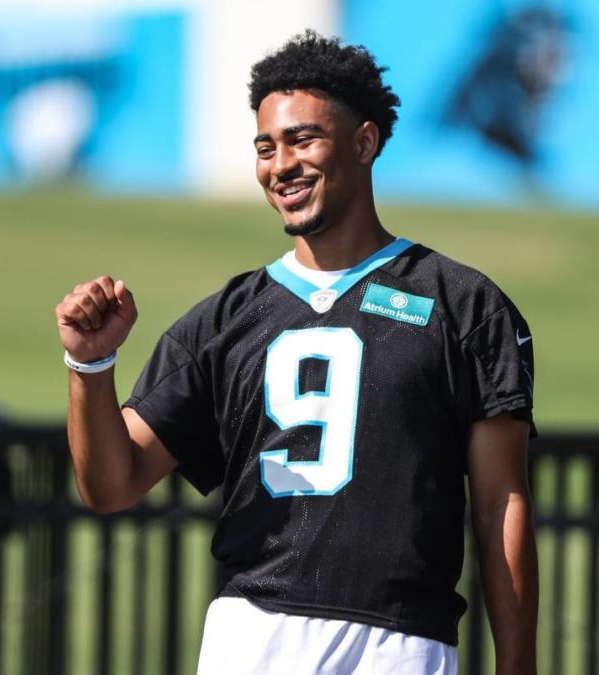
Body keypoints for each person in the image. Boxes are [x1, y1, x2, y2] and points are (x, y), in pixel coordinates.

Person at [54, 30, 538, 675]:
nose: (280, 164)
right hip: (251, 639)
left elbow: (500, 503)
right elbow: (111, 486)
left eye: (302, 139)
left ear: (364, 142)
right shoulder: (222, 321)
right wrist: (91, 365)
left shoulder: (463, 304)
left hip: (401, 644)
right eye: (265, 147)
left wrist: (518, 664)